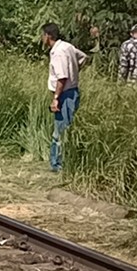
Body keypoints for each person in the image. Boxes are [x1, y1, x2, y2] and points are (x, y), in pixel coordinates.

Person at [41, 23, 87, 173]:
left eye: (43, 35)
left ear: (48, 36)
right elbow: (83, 57)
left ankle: (58, 165)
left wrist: (56, 98)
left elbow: (62, 78)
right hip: (72, 92)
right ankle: (63, 162)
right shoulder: (68, 46)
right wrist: (75, 69)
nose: (42, 38)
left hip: (64, 94)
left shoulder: (58, 52)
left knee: (60, 131)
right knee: (66, 128)